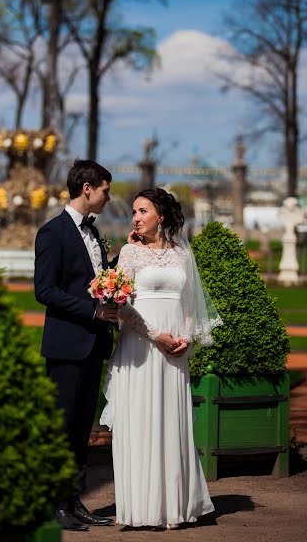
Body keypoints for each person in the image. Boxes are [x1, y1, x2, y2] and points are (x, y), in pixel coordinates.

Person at [100, 188, 222, 529]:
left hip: (175, 353)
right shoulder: (128, 253)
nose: (136, 216)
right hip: (141, 349)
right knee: (139, 421)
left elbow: (188, 305)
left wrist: (184, 339)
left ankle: (174, 506)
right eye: (134, 211)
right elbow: (122, 306)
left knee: (171, 422)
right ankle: (142, 508)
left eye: (142, 210)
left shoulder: (182, 254)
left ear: (161, 215)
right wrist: (158, 336)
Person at [34, 159, 118, 531]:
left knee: (82, 427)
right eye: (105, 191)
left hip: (93, 346)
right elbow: (45, 291)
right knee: (62, 427)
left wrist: (120, 263)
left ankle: (75, 499)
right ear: (88, 189)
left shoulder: (95, 234)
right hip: (66, 346)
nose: (107, 197)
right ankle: (54, 503)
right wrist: (93, 311)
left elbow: (92, 279)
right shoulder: (52, 233)